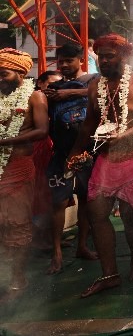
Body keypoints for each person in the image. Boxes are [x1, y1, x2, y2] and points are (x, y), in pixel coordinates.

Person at [67, 34, 133, 297]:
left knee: (131, 215)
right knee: (96, 214)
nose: (104, 61)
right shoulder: (95, 86)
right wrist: (76, 150)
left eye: (110, 56)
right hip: (106, 159)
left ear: (123, 57)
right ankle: (109, 273)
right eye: (101, 57)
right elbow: (89, 122)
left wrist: (123, 135)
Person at [42, 43, 98, 274]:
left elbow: (103, 94)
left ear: (81, 59)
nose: (64, 65)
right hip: (61, 154)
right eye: (60, 61)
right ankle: (56, 252)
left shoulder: (94, 80)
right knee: (58, 203)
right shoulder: (54, 88)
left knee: (86, 200)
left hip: (89, 151)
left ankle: (82, 246)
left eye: (69, 60)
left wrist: (71, 93)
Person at [0, 49, 48, 302]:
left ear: (21, 72)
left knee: (16, 225)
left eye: (3, 73)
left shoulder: (35, 96)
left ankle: (18, 279)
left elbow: (41, 131)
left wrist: (5, 141)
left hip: (18, 166)